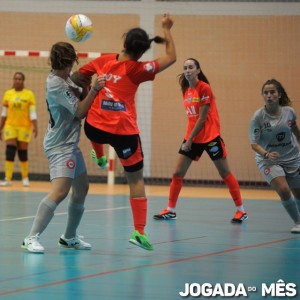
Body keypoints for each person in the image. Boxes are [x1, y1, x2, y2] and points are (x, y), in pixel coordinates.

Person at [71, 13, 176, 251]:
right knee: (135, 180)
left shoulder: (103, 60)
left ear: (124, 43)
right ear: (141, 53)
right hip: (124, 133)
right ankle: (139, 231)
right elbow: (171, 57)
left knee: (92, 129)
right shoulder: (139, 69)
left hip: (95, 127)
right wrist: (166, 28)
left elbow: (78, 76)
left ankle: (98, 154)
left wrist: (89, 86)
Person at [21, 42, 105, 253]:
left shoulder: (65, 77)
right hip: (60, 146)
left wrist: (86, 86)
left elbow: (80, 95)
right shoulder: (56, 85)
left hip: (69, 143)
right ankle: (30, 237)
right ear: (69, 61)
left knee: (82, 188)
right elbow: (79, 112)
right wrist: (94, 89)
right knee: (60, 192)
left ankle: (69, 237)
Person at [153, 58, 248, 223]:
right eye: (185, 68)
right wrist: (190, 138)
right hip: (192, 137)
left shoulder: (204, 88)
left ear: (198, 70)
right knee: (177, 173)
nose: (187, 70)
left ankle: (241, 210)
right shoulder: (186, 90)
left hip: (210, 137)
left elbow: (202, 118)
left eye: (191, 67)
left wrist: (189, 140)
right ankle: (171, 210)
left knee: (224, 173)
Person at [249, 79, 300, 233]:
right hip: (268, 160)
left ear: (279, 94)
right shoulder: (257, 117)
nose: (269, 95)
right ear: (263, 96)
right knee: (284, 190)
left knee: (298, 191)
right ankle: (297, 222)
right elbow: (254, 144)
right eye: (266, 93)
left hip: (292, 157)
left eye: (272, 92)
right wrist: (267, 154)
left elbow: (295, 130)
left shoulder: (289, 112)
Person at [0, 72, 38, 187]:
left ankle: (25, 178)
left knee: (22, 152)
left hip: (25, 127)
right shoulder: (8, 94)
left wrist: (35, 126)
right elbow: (4, 113)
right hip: (10, 126)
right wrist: (0, 127)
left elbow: (32, 113)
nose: (17, 81)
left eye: (20, 79)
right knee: (10, 150)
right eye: (16, 78)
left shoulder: (29, 94)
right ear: (13, 80)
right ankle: (8, 178)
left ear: (23, 80)